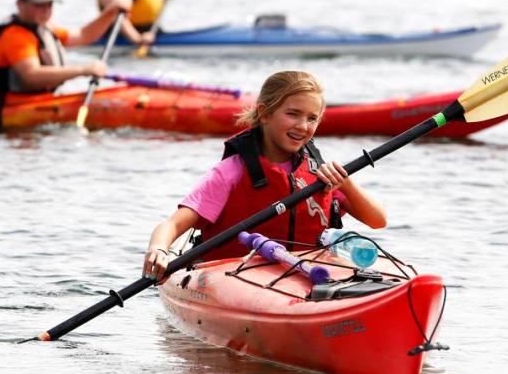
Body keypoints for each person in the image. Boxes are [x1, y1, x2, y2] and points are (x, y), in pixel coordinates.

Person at [142, 70, 387, 281]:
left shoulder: (320, 173)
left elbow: (378, 221)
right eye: (293, 114)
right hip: (233, 278)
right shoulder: (232, 171)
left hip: (306, 277)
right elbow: (173, 224)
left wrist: (347, 184)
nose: (303, 126)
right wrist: (159, 249)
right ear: (265, 113)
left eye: (312, 118)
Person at [0, 0, 129, 126]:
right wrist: (83, 70)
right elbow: (32, 75)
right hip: (15, 105)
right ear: (20, 4)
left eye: (49, 5)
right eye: (39, 5)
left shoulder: (45, 28)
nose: (46, 10)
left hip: (43, 101)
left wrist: (110, 12)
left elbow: (83, 35)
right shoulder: (15, 36)